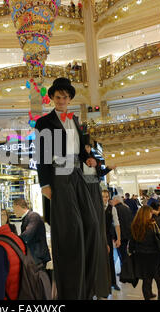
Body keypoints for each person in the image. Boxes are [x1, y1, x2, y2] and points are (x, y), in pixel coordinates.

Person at [35, 77, 102, 299]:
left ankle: (88, 283)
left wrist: (90, 159)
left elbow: (83, 151)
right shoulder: (44, 122)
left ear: (70, 98)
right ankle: (73, 289)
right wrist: (44, 183)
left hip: (78, 173)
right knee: (71, 229)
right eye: (58, 97)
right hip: (59, 175)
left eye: (65, 97)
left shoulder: (77, 121)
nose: (61, 100)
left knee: (92, 224)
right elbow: (42, 154)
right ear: (52, 98)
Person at [82, 144, 114, 298]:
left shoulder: (94, 163)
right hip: (85, 188)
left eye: (89, 147)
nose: (88, 149)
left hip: (91, 187)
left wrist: (108, 168)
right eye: (86, 147)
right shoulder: (80, 160)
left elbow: (100, 172)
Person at [129, 206, 160, 300]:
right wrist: (157, 212)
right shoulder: (153, 224)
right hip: (155, 256)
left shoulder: (134, 225)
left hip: (141, 256)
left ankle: (148, 296)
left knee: (146, 279)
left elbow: (132, 243)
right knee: (159, 279)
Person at [12, 198, 51, 268]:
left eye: (14, 208)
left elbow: (27, 235)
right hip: (35, 259)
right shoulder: (29, 217)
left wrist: (14, 241)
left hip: (38, 259)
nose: (13, 211)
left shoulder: (33, 216)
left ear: (17, 206)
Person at [101, 190, 121, 291]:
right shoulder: (96, 208)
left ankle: (113, 282)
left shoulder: (112, 209)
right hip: (99, 237)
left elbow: (117, 224)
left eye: (106, 196)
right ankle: (102, 284)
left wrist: (119, 238)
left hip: (108, 236)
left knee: (110, 259)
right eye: (103, 196)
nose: (105, 198)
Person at [112, 195, 134, 270]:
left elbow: (115, 225)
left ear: (116, 200)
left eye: (113, 200)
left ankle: (125, 271)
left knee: (121, 254)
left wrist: (115, 237)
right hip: (128, 235)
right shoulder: (127, 208)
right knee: (126, 253)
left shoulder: (115, 209)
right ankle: (129, 270)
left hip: (120, 236)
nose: (112, 202)